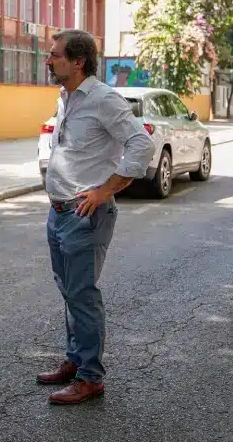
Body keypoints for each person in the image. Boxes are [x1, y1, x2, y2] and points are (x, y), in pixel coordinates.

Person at [35, 29, 155, 405]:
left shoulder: (103, 99)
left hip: (85, 214)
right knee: (70, 292)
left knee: (82, 295)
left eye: (55, 55)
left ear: (78, 61)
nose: (48, 60)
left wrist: (105, 190)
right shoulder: (67, 97)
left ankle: (90, 377)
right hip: (59, 212)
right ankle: (76, 360)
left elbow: (142, 143)